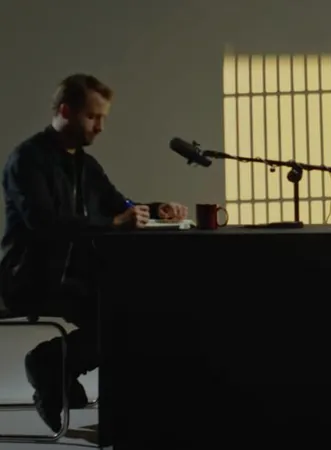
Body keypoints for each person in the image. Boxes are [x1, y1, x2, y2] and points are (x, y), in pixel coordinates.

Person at [0, 74, 189, 433]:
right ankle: (52, 366)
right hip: (30, 275)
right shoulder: (27, 159)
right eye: (92, 117)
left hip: (74, 274)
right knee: (121, 312)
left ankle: (55, 366)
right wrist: (115, 222)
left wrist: (155, 209)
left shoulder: (85, 165)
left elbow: (119, 205)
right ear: (64, 111)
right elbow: (43, 223)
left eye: (103, 118)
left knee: (138, 309)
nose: (100, 127)